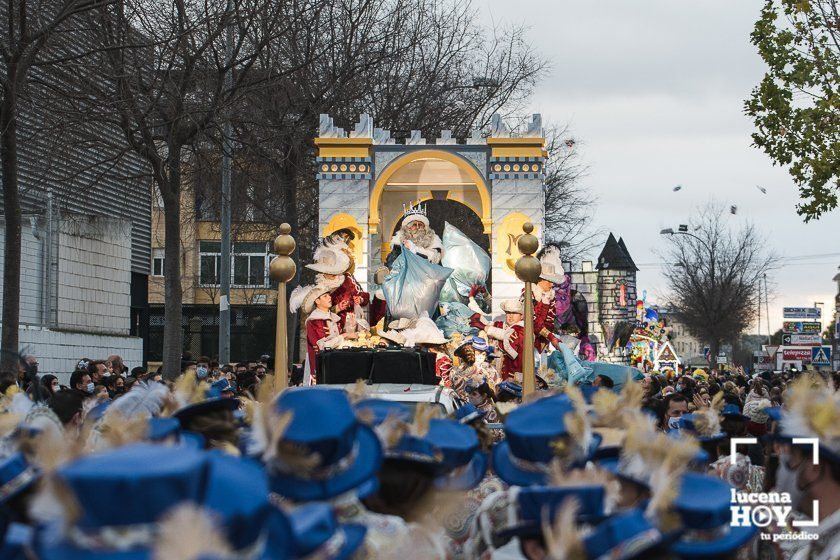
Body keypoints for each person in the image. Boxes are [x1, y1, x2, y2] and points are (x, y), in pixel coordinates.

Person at [291, 283, 360, 386]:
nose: (329, 297)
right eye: (325, 296)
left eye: (328, 295)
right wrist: (344, 336)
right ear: (317, 301)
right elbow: (323, 346)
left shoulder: (331, 317)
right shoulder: (314, 321)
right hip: (322, 368)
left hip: (334, 364)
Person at [471, 299, 525, 382]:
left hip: (515, 377)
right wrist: (472, 300)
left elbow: (506, 335)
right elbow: (484, 321)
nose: (510, 316)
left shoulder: (523, 330)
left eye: (514, 313)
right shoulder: (502, 325)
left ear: (522, 316)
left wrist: (484, 327)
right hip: (499, 375)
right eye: (508, 313)